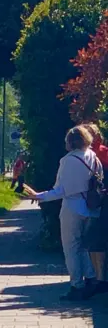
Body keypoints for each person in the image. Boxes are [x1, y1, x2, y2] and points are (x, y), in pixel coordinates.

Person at [26, 126, 102, 300]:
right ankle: (91, 278)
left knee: (71, 248)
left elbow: (61, 190)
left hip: (72, 208)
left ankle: (77, 285)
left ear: (70, 141)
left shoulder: (68, 161)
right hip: (91, 208)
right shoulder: (93, 157)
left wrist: (40, 196)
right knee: (84, 246)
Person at [84, 123, 108, 293]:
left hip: (97, 202)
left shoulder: (91, 156)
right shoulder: (98, 154)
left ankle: (98, 278)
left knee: (95, 239)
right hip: (100, 201)